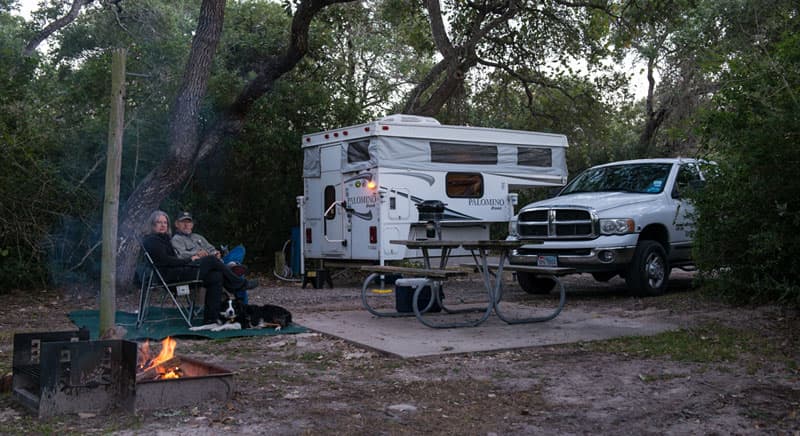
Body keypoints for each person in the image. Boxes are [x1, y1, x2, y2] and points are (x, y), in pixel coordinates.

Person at [142, 210, 257, 324]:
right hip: (172, 277)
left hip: (180, 271)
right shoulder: (152, 241)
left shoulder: (164, 239)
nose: (163, 225)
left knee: (216, 276)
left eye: (165, 222)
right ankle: (240, 284)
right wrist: (190, 259)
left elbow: (174, 259)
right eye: (159, 222)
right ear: (152, 225)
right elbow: (166, 261)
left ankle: (211, 318)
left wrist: (213, 253)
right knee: (211, 261)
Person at [171, 211, 249, 303]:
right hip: (200, 266)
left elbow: (211, 248)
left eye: (188, 222)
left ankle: (230, 266)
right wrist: (197, 254)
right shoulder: (176, 239)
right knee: (237, 272)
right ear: (176, 224)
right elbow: (180, 255)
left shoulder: (197, 237)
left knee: (240, 249)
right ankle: (231, 269)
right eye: (183, 222)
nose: (186, 225)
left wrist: (216, 252)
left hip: (215, 262)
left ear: (192, 224)